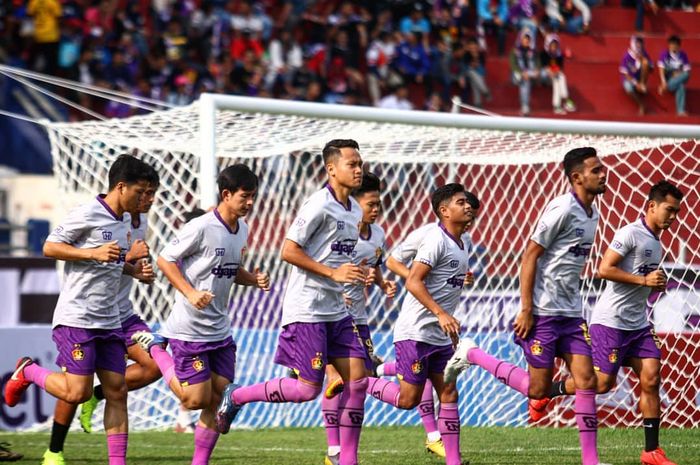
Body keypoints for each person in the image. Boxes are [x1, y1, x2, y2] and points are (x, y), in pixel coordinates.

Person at [445, 147, 610, 465]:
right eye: (595, 170)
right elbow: (530, 254)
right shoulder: (561, 209)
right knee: (537, 391)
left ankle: (590, 461)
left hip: (571, 313)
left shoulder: (593, 213)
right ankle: (473, 354)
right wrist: (525, 308)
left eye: (602, 169)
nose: (603, 175)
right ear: (576, 177)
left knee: (589, 380)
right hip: (543, 313)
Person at [215, 140, 369, 465]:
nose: (359, 169)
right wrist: (332, 273)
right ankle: (238, 395)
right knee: (306, 390)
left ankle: (347, 460)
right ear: (331, 169)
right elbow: (288, 250)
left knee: (358, 381)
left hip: (335, 310)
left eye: (360, 164)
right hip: (307, 309)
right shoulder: (317, 204)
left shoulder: (354, 209)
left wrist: (349, 275)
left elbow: (335, 254)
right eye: (352, 164)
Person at [4, 154, 155, 465]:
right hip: (78, 318)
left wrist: (132, 271)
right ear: (121, 186)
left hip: (110, 319)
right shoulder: (87, 213)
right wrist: (92, 252)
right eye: (140, 192)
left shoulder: (126, 221)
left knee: (117, 391)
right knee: (78, 393)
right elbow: (49, 246)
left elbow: (110, 262)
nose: (145, 199)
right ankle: (28, 371)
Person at [533, 180, 683, 465]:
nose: (673, 217)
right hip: (610, 322)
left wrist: (654, 284)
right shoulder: (629, 233)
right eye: (669, 210)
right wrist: (644, 280)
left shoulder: (656, 242)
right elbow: (604, 269)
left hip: (638, 325)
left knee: (651, 377)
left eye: (677, 211)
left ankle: (652, 451)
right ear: (652, 206)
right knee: (601, 384)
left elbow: (641, 280)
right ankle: (548, 392)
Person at [132, 164, 270, 465]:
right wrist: (191, 293)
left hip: (220, 330)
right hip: (189, 330)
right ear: (226, 194)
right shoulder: (202, 226)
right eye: (245, 197)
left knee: (219, 398)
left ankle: (199, 462)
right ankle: (157, 348)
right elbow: (165, 260)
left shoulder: (242, 229)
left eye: (253, 197)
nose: (250, 203)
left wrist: (253, 279)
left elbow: (230, 272)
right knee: (193, 400)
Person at [364, 183, 475, 465]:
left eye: (468, 202)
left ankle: (453, 460)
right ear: (444, 210)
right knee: (408, 399)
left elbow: (443, 278)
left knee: (449, 392)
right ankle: (361, 380)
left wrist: (461, 279)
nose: (468, 206)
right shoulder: (434, 239)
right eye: (461, 202)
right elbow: (413, 281)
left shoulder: (465, 242)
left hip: (439, 336)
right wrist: (440, 313)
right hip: (415, 332)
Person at [321, 172, 397, 465]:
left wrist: (381, 283)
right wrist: (336, 293)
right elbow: (326, 266)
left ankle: (345, 450)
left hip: (360, 317)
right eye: (371, 203)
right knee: (339, 380)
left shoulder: (377, 234)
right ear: (355, 202)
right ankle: (334, 450)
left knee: (355, 385)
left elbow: (372, 264)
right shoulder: (341, 229)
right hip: (331, 313)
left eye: (379, 203)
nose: (376, 209)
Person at [540, 33, 576, 114]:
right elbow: (543, 67)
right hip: (544, 76)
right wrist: (551, 72)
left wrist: (555, 72)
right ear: (548, 45)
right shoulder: (543, 54)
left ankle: (557, 106)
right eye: (552, 45)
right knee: (558, 77)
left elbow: (560, 69)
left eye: (555, 46)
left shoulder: (559, 56)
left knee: (558, 78)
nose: (553, 48)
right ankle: (566, 99)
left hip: (554, 76)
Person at [657, 35, 691, 117]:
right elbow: (661, 68)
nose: (673, 47)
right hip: (668, 77)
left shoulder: (683, 55)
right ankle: (680, 111)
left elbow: (687, 70)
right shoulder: (664, 54)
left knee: (686, 75)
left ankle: (665, 87)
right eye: (671, 44)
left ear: (679, 46)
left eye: (675, 45)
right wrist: (663, 82)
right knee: (681, 87)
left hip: (678, 77)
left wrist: (678, 73)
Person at [510, 29, 540, 116]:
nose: (526, 40)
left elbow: (538, 63)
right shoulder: (514, 51)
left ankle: (525, 107)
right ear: (520, 39)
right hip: (517, 75)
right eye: (524, 38)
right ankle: (525, 106)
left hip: (530, 73)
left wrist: (537, 69)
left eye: (528, 39)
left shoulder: (533, 51)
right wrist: (523, 73)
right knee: (525, 80)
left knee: (542, 73)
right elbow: (513, 66)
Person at [620, 35, 652, 115]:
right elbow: (625, 73)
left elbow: (651, 68)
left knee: (645, 63)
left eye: (640, 43)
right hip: (630, 79)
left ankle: (642, 86)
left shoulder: (644, 54)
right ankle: (641, 104)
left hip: (640, 79)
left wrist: (643, 60)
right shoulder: (627, 56)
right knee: (628, 88)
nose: (639, 45)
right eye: (637, 43)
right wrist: (635, 83)